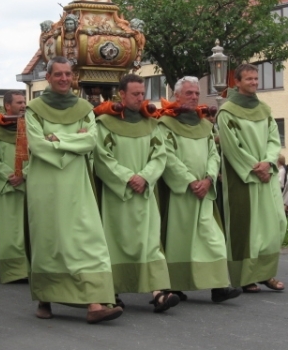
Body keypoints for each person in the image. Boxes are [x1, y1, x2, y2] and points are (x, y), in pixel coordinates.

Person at [25, 56, 122, 324]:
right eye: (59, 75)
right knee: (50, 238)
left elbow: (91, 140)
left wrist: (58, 140)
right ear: (49, 76)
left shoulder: (84, 108)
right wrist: (72, 144)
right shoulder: (33, 108)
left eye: (68, 74)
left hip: (77, 181)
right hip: (46, 183)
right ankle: (45, 298)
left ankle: (95, 302)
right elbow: (36, 144)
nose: (64, 79)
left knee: (86, 238)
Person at [94, 74, 179, 313]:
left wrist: (145, 177)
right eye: (135, 94)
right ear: (121, 94)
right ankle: (113, 292)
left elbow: (160, 156)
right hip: (117, 196)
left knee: (150, 242)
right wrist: (127, 177)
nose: (140, 98)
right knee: (116, 243)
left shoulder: (152, 124)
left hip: (144, 194)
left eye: (143, 94)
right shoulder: (104, 124)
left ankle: (159, 292)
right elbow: (101, 157)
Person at [158, 76, 242, 303]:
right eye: (189, 93)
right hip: (180, 192)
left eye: (196, 93)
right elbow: (167, 155)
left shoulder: (205, 125)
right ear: (177, 96)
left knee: (212, 238)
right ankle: (175, 285)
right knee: (180, 241)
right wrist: (189, 181)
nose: (194, 97)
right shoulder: (165, 124)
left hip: (204, 191)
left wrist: (208, 179)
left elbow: (214, 154)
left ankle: (219, 286)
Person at [217, 64, 287, 293]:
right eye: (249, 79)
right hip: (243, 178)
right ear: (237, 82)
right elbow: (231, 146)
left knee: (272, 225)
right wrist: (254, 167)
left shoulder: (265, 109)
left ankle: (266, 273)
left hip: (265, 174)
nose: (254, 82)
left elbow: (274, 139)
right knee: (246, 228)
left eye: (256, 78)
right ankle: (244, 277)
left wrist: (268, 162)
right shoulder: (227, 111)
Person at [0, 90, 29, 283]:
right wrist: (9, 176)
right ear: (8, 106)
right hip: (6, 187)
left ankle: (28, 269)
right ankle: (12, 271)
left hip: (28, 184)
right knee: (9, 230)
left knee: (29, 229)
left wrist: (24, 174)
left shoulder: (31, 128)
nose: (23, 106)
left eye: (24, 102)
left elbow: (38, 153)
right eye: (19, 103)